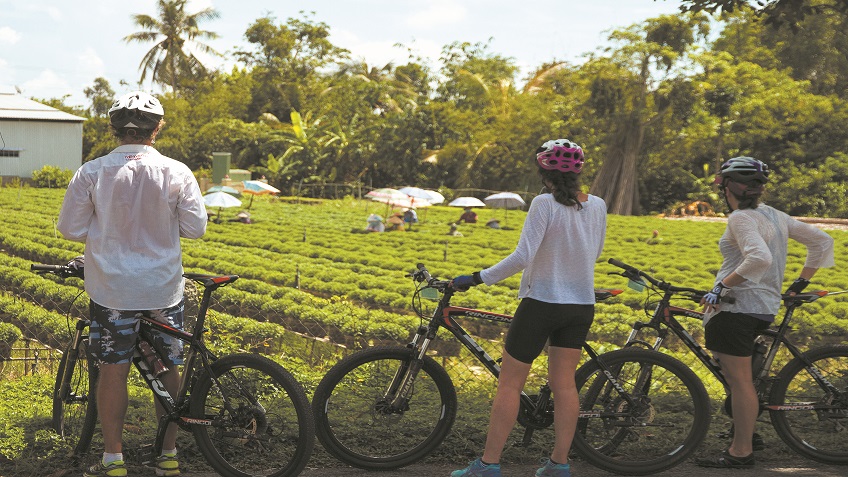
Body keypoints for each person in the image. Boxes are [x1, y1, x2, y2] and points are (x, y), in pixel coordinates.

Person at [57, 91, 207, 477]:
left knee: (113, 370)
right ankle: (168, 456)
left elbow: (70, 229)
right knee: (167, 367)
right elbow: (195, 228)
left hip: (111, 291)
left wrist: (108, 229)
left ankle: (113, 460)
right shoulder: (176, 171)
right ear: (156, 129)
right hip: (162, 288)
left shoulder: (92, 171)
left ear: (113, 129)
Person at [449, 139, 607, 477]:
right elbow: (593, 255)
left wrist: (477, 278)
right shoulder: (597, 205)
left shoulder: (543, 204)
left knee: (510, 385)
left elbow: (523, 256)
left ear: (543, 171)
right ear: (578, 172)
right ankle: (559, 464)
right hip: (580, 306)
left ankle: (489, 465)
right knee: (565, 385)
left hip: (542, 304)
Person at [695, 157, 834, 469]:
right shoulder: (774, 215)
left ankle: (740, 452)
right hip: (764, 307)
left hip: (737, 307)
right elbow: (823, 241)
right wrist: (800, 281)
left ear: (726, 185)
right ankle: (746, 434)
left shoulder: (741, 219)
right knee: (742, 379)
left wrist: (720, 287)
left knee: (740, 381)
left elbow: (759, 259)